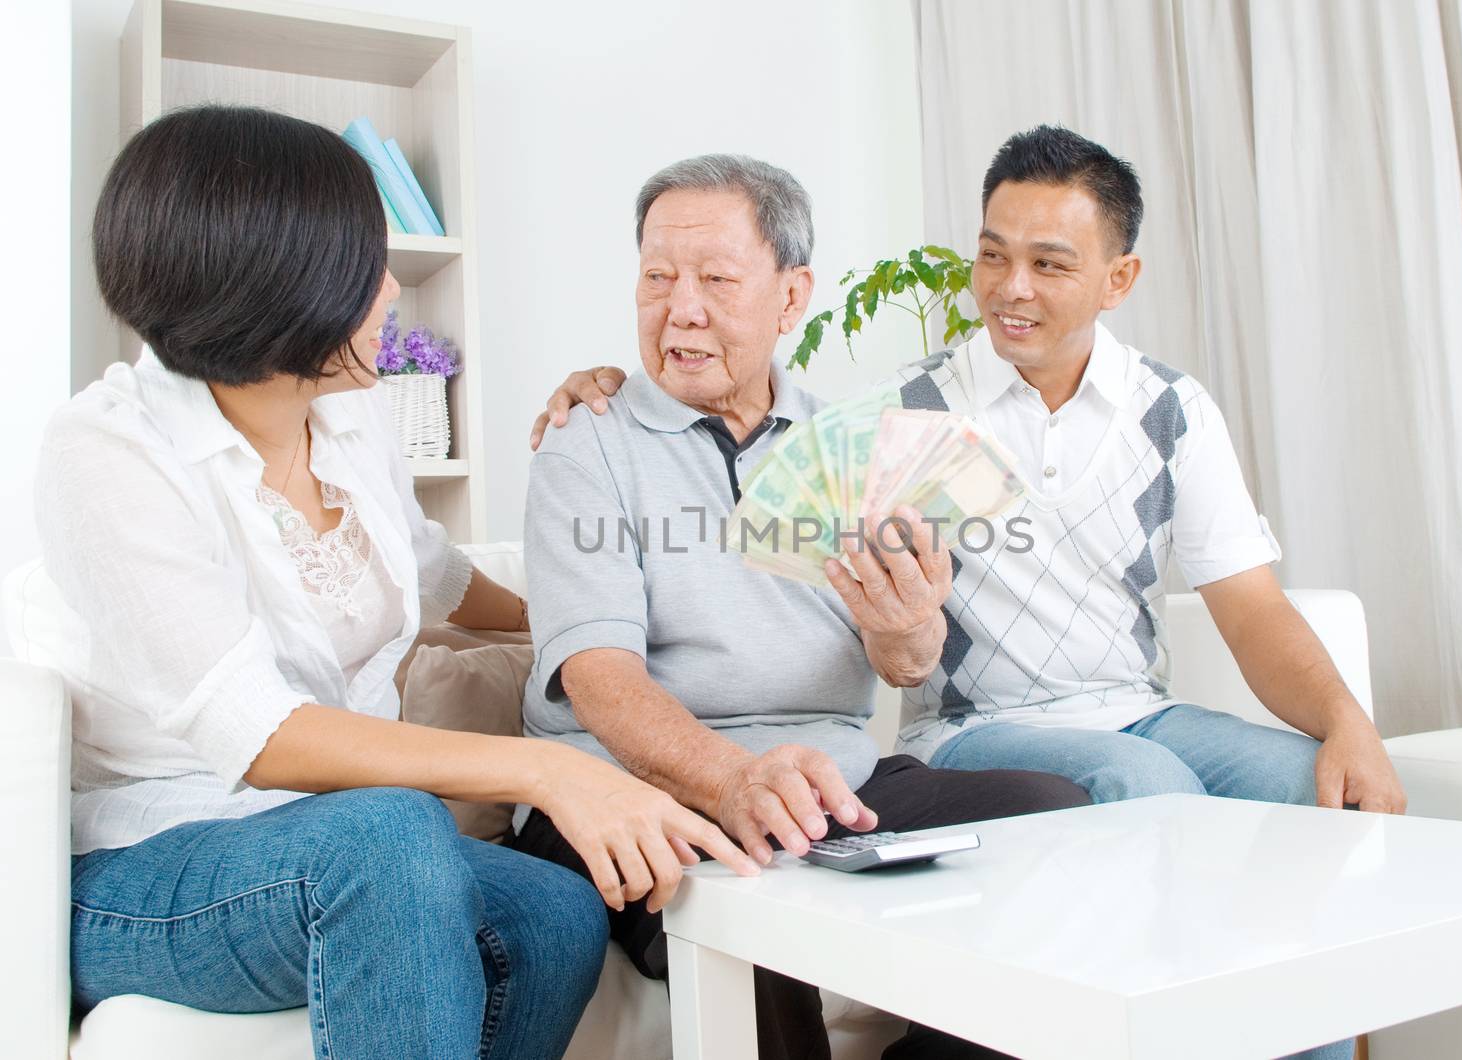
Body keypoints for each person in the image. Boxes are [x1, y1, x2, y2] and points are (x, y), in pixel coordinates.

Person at [41, 105, 754, 1060]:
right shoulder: (107, 451)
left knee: (552, 912)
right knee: (386, 836)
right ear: (281, 282)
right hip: (155, 866)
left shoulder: (350, 411)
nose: (389, 291)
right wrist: (552, 768)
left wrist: (587, 628)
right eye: (365, 265)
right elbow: (258, 733)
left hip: (339, 839)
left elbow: (435, 574)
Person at [514, 152, 1090, 1059]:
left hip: (833, 780)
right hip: (630, 793)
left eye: (715, 279)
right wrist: (732, 782)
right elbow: (597, 679)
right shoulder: (585, 443)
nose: (682, 308)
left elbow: (905, 666)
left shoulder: (855, 446)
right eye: (658, 278)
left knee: (1055, 817)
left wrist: (907, 628)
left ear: (791, 298)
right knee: (759, 918)